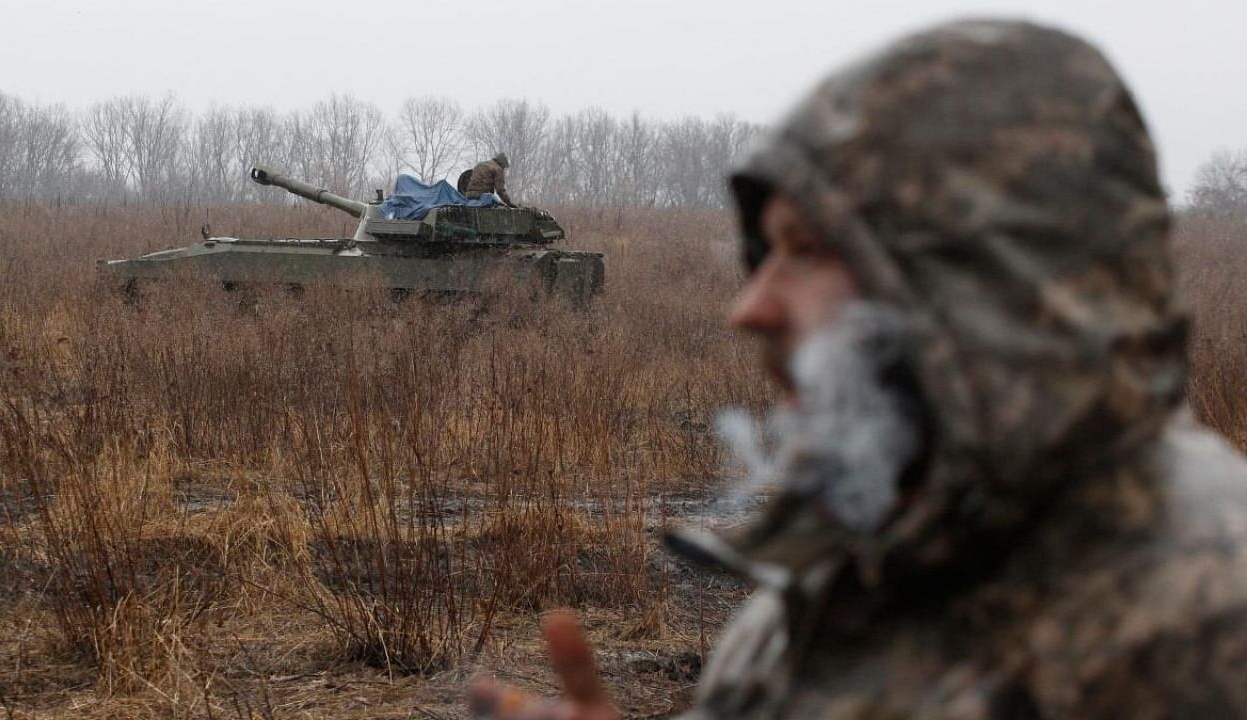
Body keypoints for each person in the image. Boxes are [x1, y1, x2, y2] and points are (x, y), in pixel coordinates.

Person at [471, 18, 1247, 719]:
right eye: (764, 251)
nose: (749, 309)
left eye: (807, 251)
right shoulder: (864, 556)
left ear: (979, 286)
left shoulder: (1201, 615)